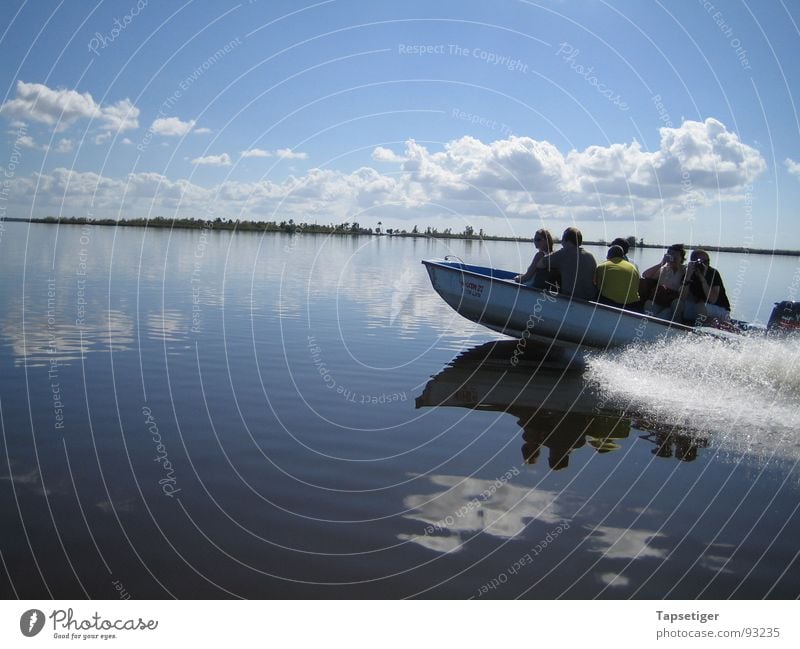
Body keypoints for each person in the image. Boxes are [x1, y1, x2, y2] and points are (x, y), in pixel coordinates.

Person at [535, 226, 597, 300]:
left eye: (562, 239)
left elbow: (540, 265)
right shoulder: (590, 256)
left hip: (572, 298)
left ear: (567, 240)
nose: (561, 242)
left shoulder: (563, 253)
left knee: (542, 272)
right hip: (591, 298)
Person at [678, 249, 731, 325]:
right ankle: (678, 326)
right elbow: (682, 297)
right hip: (699, 309)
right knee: (678, 304)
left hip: (720, 309)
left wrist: (702, 278)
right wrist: (688, 276)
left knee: (700, 306)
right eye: (702, 262)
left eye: (707, 261)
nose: (705, 264)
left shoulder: (713, 273)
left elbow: (713, 299)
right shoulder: (689, 273)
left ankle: (709, 327)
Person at [642, 244, 686, 319]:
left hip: (673, 301)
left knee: (667, 313)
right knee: (648, 306)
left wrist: (677, 265)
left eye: (675, 255)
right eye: (670, 254)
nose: (672, 257)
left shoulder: (685, 271)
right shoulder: (664, 268)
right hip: (660, 298)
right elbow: (645, 275)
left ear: (681, 258)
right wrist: (661, 263)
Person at [594, 245, 641, 310]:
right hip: (634, 304)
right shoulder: (633, 267)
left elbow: (598, 286)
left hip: (611, 303)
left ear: (608, 256)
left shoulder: (602, 267)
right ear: (623, 256)